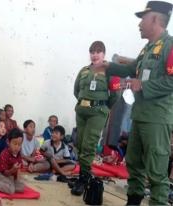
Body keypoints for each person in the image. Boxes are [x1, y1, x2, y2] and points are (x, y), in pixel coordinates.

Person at [93, 2, 173, 204]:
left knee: (156, 173)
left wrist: (143, 85)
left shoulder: (170, 46)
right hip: (139, 116)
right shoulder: (148, 48)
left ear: (155, 19)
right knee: (135, 166)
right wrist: (109, 65)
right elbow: (131, 67)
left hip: (157, 119)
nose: (139, 25)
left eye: (143, 19)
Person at [71, 41, 115, 196]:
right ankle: (83, 175)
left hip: (98, 112)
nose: (94, 54)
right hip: (82, 111)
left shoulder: (110, 71)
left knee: (89, 145)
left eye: (98, 51)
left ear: (103, 54)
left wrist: (103, 107)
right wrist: (85, 102)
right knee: (81, 144)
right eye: (92, 51)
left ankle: (83, 179)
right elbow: (77, 90)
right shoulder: (84, 71)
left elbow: (115, 95)